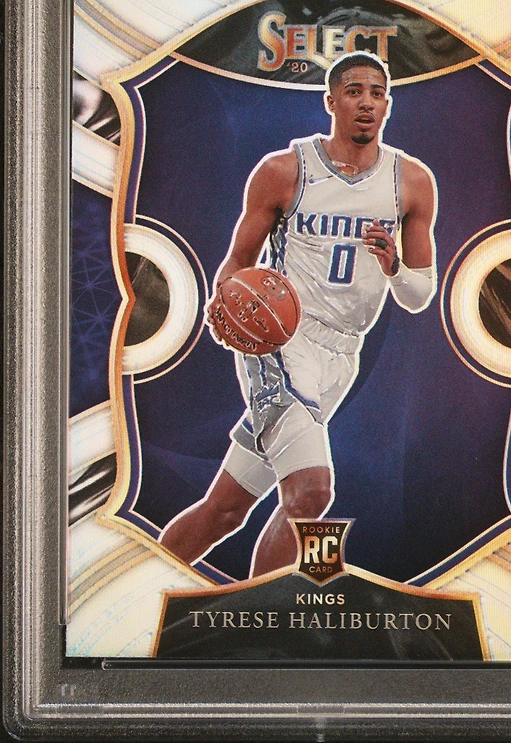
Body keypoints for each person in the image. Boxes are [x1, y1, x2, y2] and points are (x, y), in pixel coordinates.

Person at [158, 52, 437, 576]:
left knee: (225, 510)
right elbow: (238, 261)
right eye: (354, 91)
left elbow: (419, 294)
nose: (367, 102)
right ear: (331, 102)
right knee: (312, 492)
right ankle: (270, 615)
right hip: (282, 342)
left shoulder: (412, 182)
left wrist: (395, 266)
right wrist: (225, 300)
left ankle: (144, 587)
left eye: (377, 93)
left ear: (388, 106)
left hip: (343, 357)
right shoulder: (285, 170)